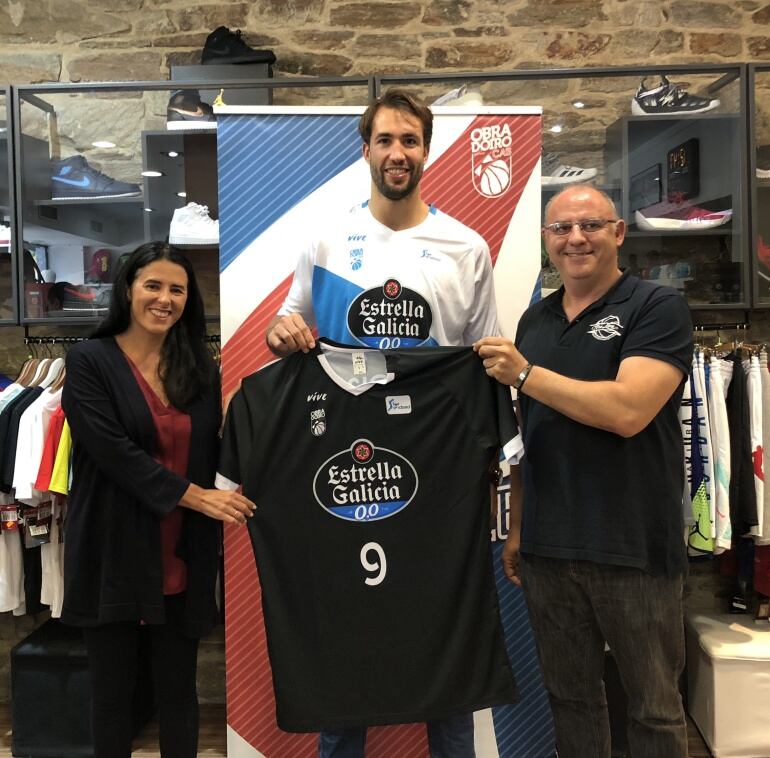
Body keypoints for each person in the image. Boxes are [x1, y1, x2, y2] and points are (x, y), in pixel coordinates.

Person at [265, 88, 498, 758]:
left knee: (444, 623)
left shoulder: (466, 245)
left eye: (411, 140)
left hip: (439, 465)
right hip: (345, 456)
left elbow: (481, 362)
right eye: (386, 140)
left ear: (428, 149)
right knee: (347, 629)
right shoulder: (326, 237)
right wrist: (283, 332)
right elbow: (291, 322)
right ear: (365, 149)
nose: (398, 153)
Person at [475, 185, 693, 758]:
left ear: (618, 233)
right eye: (562, 229)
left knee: (654, 708)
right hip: (549, 548)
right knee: (571, 700)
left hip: (634, 548)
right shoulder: (535, 319)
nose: (576, 238)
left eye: (591, 225)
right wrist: (519, 526)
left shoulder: (656, 307)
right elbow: (526, 435)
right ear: (547, 240)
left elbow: (627, 411)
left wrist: (525, 374)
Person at [61, 242, 255, 758]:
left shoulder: (198, 367)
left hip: (181, 556)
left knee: (179, 694)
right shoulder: (87, 362)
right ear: (128, 289)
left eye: (177, 289)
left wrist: (243, 415)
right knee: (112, 698)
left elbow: (210, 451)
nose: (164, 298)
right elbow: (113, 454)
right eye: (153, 285)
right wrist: (199, 499)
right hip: (113, 552)